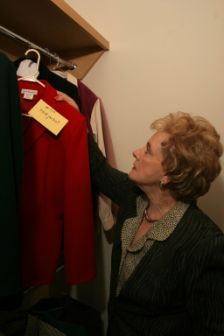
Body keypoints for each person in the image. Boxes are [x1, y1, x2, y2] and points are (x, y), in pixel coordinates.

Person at [55, 93, 224, 335]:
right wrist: (76, 118)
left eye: (147, 151)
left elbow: (211, 328)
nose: (136, 152)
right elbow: (100, 170)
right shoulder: (134, 196)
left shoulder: (205, 244)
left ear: (169, 175)